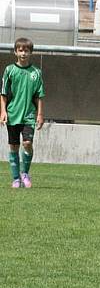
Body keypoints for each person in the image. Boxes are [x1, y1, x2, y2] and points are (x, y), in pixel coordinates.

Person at [0, 37, 44, 189]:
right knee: (13, 147)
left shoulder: (36, 72)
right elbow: (3, 93)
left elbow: (39, 95)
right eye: (20, 50)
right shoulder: (9, 70)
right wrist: (3, 112)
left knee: (27, 143)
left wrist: (39, 115)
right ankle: (15, 178)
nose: (23, 53)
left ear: (30, 52)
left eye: (26, 50)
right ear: (15, 52)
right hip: (12, 114)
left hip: (29, 115)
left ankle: (25, 173)